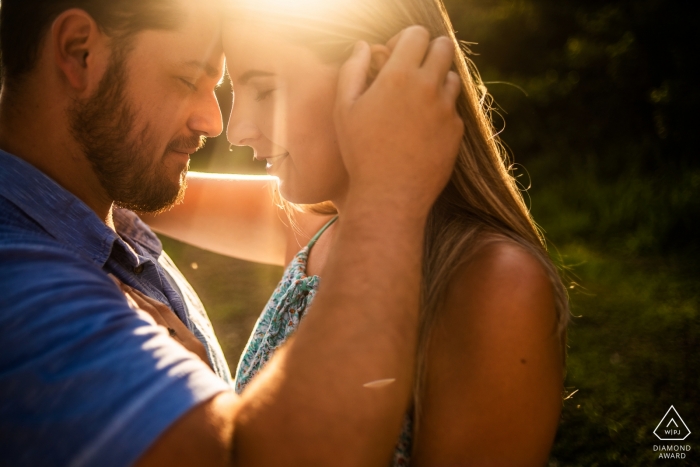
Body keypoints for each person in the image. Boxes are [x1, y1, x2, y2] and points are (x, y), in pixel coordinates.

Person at [0, 0, 463, 465]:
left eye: (260, 89)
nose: (216, 123)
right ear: (80, 52)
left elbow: (301, 208)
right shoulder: (22, 284)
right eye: (185, 79)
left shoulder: (96, 201)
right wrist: (385, 191)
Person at [145, 0, 571, 464]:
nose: (237, 130)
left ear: (383, 76)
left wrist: (201, 401)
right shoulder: (317, 228)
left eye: (265, 90)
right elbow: (141, 192)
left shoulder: (496, 285)